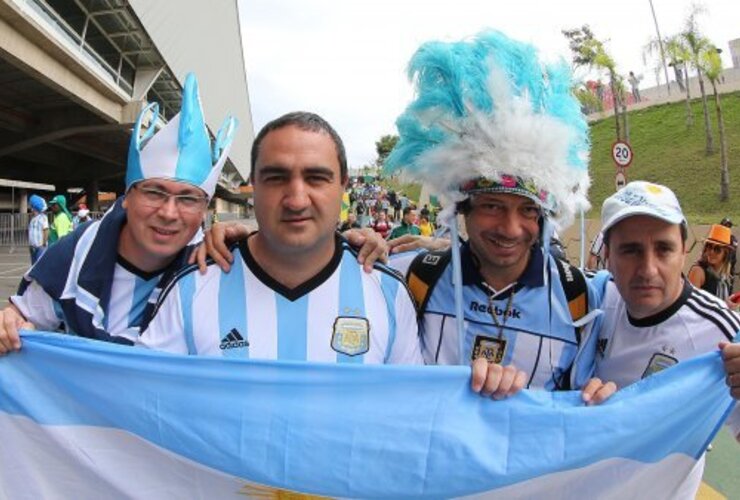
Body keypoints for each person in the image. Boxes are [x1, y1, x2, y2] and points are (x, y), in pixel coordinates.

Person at [383, 31, 611, 397]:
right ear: (463, 210)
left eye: (527, 211)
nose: (511, 228)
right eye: (492, 206)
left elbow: (659, 317)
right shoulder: (413, 278)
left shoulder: (581, 296)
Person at [0, 73, 238, 353]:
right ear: (127, 198)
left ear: (204, 209)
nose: (169, 213)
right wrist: (10, 323)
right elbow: (25, 317)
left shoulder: (215, 263)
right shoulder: (71, 259)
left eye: (188, 198)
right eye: (154, 192)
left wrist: (255, 243)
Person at [588, 181, 740, 497]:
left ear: (684, 251)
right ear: (607, 254)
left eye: (664, 249)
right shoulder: (594, 300)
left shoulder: (721, 331)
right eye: (630, 250)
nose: (648, 269)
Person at [687, 224, 734, 300]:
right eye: (709, 246)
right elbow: (690, 303)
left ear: (725, 254)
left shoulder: (724, 278)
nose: (711, 252)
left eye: (717, 249)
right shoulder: (698, 271)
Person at [27, 194, 49, 265]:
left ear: (35, 207)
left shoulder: (43, 218)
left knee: (39, 264)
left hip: (40, 247)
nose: (30, 209)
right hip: (32, 247)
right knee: (33, 265)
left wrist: (44, 243)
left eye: (31, 206)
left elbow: (46, 230)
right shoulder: (33, 219)